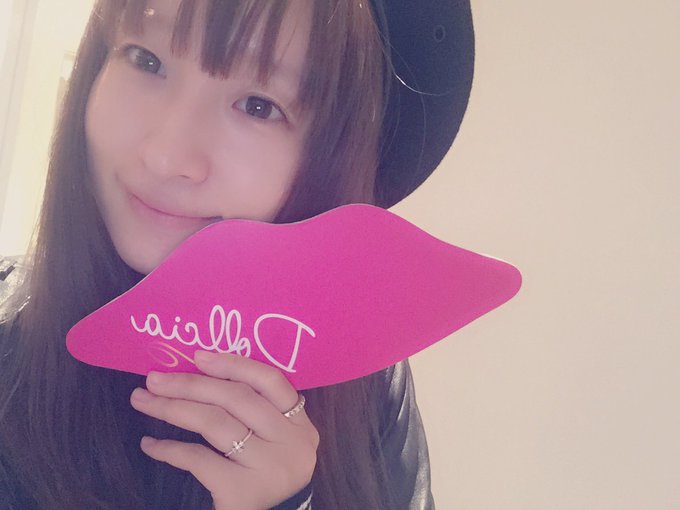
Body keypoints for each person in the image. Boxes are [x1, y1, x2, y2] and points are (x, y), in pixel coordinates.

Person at [0, 0, 473, 508]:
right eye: (145, 59)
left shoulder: (364, 383)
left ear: (327, 158)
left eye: (257, 106)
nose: (166, 157)